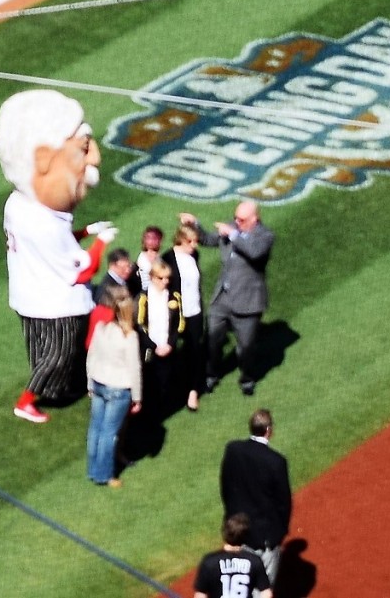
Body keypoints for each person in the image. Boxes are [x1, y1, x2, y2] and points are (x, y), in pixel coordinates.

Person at [0, 89, 119, 424]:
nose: (94, 158)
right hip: (57, 304)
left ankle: (62, 386)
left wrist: (86, 231)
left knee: (41, 350)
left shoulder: (17, 206)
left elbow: (59, 241)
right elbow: (82, 270)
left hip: (26, 295)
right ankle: (27, 400)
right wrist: (102, 243)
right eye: (83, 147)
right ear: (43, 160)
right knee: (57, 355)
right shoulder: (45, 225)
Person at [182, 200, 274, 396]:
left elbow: (254, 252)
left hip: (248, 302)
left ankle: (247, 378)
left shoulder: (265, 236)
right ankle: (211, 374)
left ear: (254, 219)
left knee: (246, 347)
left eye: (241, 220)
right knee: (213, 340)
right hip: (222, 298)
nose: (236, 222)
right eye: (235, 218)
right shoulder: (232, 228)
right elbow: (207, 239)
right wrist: (194, 225)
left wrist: (233, 234)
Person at [220, 409, 292, 586]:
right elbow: (284, 503)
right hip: (264, 539)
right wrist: (279, 533)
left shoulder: (233, 450)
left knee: (237, 587)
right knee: (263, 589)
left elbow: (225, 486)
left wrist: (231, 519)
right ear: (268, 430)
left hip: (237, 534)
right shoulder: (276, 461)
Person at [85, 285, 142, 487]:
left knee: (96, 428)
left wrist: (90, 382)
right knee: (109, 433)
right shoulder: (130, 337)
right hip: (118, 388)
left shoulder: (101, 328)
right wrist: (137, 397)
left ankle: (92, 469)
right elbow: (134, 369)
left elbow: (91, 356)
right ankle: (105, 475)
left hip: (99, 382)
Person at [163, 222, 205, 412]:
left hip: (194, 311)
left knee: (195, 351)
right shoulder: (168, 258)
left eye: (196, 241)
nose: (194, 245)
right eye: (191, 241)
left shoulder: (194, 255)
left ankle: (193, 391)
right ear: (181, 239)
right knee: (170, 351)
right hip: (175, 315)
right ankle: (169, 389)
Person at [136, 258, 185, 420]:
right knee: (148, 380)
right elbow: (139, 323)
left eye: (167, 278)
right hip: (150, 349)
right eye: (161, 278)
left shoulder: (174, 296)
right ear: (152, 277)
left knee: (165, 380)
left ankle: (161, 412)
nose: (165, 282)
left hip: (167, 346)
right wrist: (153, 345)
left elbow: (180, 322)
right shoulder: (143, 298)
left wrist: (170, 344)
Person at [194, 513, 273, 598]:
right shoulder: (254, 561)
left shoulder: (209, 561)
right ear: (246, 536)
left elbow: (200, 594)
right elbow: (266, 593)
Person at [135, 226, 164, 292]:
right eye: (148, 238)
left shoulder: (160, 258)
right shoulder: (142, 258)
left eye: (154, 238)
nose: (151, 241)